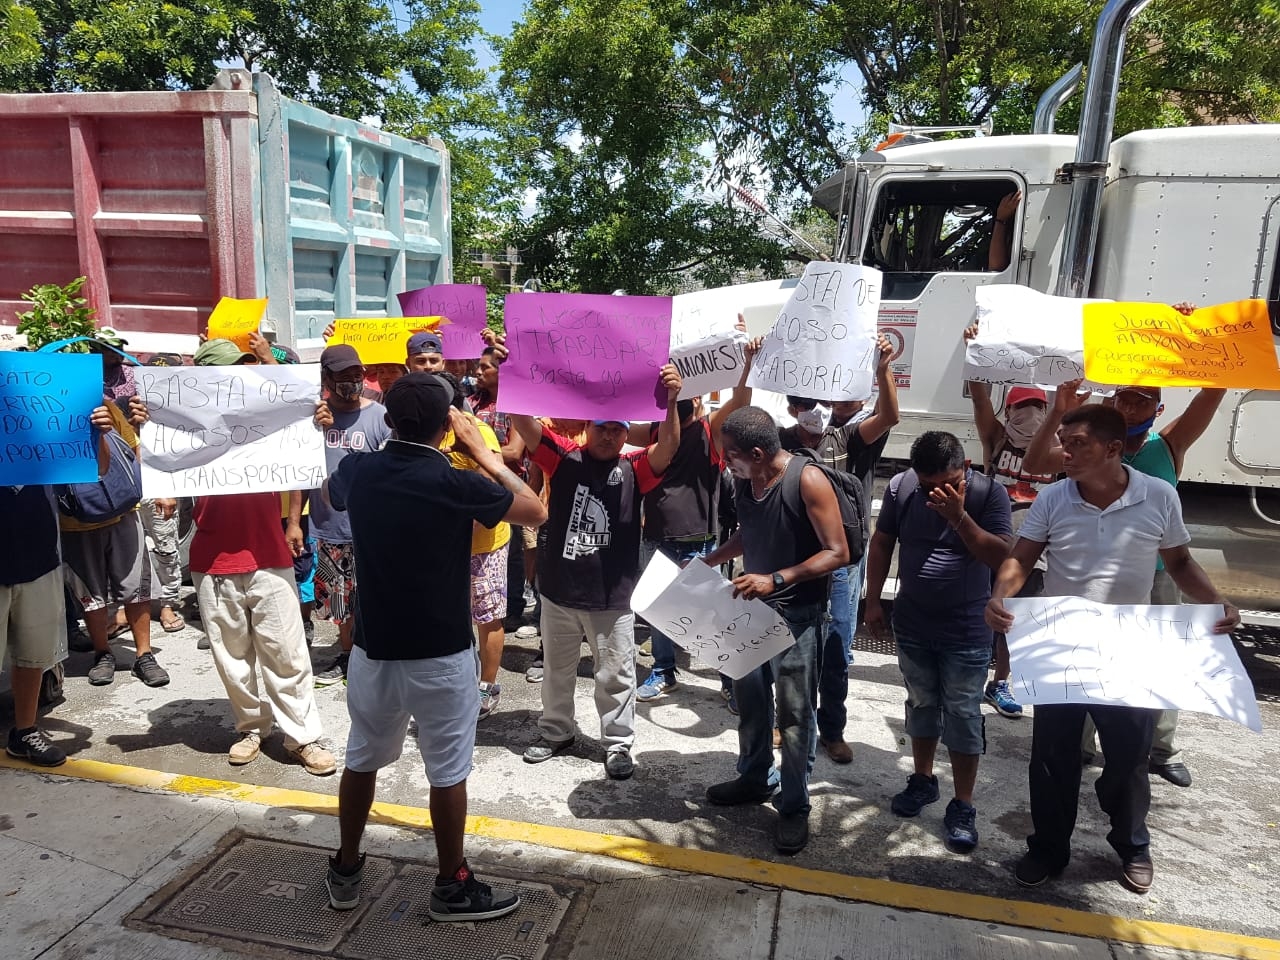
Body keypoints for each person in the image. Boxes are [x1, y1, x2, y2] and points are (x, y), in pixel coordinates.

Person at [987, 404, 1239, 894]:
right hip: (1063, 642)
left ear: (1113, 449)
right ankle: (1048, 848)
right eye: (1063, 440)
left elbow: (1181, 562)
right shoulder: (1054, 498)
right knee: (1052, 757)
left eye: (1077, 442)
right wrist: (1000, 595)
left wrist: (1215, 601)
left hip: (1129, 645)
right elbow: (1022, 558)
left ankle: (1131, 844)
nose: (1065, 450)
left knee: (1128, 759)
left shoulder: (1159, 497)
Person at [322, 373, 546, 921]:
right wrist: (484, 455)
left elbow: (333, 492)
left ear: (391, 420)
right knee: (447, 771)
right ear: (450, 424)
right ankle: (451, 885)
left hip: (373, 650)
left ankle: (346, 868)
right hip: (441, 654)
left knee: (362, 758)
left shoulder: (360, 469)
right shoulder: (456, 480)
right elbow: (534, 512)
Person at [1021, 309, 1226, 789]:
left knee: (1159, 661)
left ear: (1157, 408)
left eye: (1146, 399)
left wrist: (1191, 340)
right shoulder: (1086, 444)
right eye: (1127, 397)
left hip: (1154, 575)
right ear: (1112, 401)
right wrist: (1059, 407)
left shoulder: (1168, 444)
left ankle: (1160, 747)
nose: (1135, 406)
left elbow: (1212, 392)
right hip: (1090, 575)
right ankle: (1085, 742)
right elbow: (1034, 461)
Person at [509, 364, 684, 781]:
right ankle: (556, 732)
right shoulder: (562, 457)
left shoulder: (635, 468)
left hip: (613, 597)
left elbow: (668, 449)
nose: (609, 435)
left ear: (627, 433)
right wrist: (512, 373)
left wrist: (673, 401)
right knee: (557, 670)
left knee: (616, 675)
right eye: (602, 427)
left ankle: (618, 743)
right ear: (588, 426)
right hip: (557, 592)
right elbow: (522, 422)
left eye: (618, 429)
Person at [699, 406, 849, 855]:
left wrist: (777, 578)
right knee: (750, 702)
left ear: (759, 452)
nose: (727, 462)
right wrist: (709, 561)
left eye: (732, 455)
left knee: (796, 715)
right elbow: (750, 534)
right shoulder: (747, 480)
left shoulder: (807, 480)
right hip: (750, 612)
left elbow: (838, 552)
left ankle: (794, 804)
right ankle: (753, 776)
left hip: (797, 615)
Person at [183, 343, 335, 774]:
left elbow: (300, 461)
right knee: (231, 656)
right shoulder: (188, 423)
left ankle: (303, 736)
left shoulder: (269, 418)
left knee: (286, 651)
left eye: (245, 370)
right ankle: (251, 726)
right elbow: (156, 461)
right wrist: (149, 424)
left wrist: (316, 427)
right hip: (212, 558)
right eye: (229, 372)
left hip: (268, 553)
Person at [864, 431, 1012, 852]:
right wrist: (873, 601)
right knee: (921, 704)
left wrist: (959, 516)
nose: (935, 492)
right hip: (913, 623)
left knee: (963, 714)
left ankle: (962, 804)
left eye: (944, 483)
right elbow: (882, 542)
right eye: (927, 485)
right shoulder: (902, 488)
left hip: (966, 628)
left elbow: (1003, 557)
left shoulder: (989, 494)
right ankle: (923, 779)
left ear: (963, 468)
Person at [777, 334, 900, 764]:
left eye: (820, 401)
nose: (814, 410)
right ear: (791, 407)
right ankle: (788, 720)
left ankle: (832, 728)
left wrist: (883, 368)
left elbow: (888, 414)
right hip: (795, 560)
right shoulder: (780, 442)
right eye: (804, 403)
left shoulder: (846, 438)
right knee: (790, 646)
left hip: (843, 562)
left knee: (835, 647)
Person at [633, 333, 762, 704]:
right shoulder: (656, 430)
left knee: (714, 613)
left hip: (700, 541)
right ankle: (663, 672)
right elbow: (618, 425)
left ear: (699, 398)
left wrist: (747, 365)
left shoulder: (711, 433)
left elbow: (739, 403)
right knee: (659, 611)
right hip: (657, 537)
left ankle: (728, 680)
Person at [962, 332, 1058, 720]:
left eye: (1038, 407)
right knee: (976, 610)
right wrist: (976, 351)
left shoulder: (1059, 451)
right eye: (1022, 407)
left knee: (1013, 619)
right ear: (1010, 410)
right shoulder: (997, 438)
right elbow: (981, 397)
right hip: (990, 544)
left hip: (1033, 551)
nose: (1030, 415)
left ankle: (1000, 681)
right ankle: (968, 676)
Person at [62, 395, 169, 689]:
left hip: (123, 513)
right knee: (89, 593)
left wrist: (158, 488)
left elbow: (134, 450)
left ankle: (144, 655)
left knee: (137, 586)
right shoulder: (36, 416)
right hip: (72, 522)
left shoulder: (104, 405)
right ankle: (102, 653)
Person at [310, 344, 393, 686]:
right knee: (339, 601)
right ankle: (347, 656)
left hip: (374, 530)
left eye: (356, 375)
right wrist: (313, 431)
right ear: (326, 378)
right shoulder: (312, 418)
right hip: (328, 527)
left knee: (377, 596)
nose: (352, 381)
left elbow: (391, 471)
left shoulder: (380, 417)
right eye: (343, 376)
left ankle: (378, 654)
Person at [436, 371, 511, 720]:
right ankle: (453, 681)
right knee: (449, 616)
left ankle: (486, 686)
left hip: (484, 546)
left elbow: (494, 484)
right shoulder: (423, 434)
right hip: (443, 545)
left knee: (487, 617)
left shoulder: (476, 431)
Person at [2, 479, 71, 767]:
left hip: (39, 557)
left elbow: (97, 466)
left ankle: (25, 731)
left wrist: (98, 434)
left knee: (34, 654)